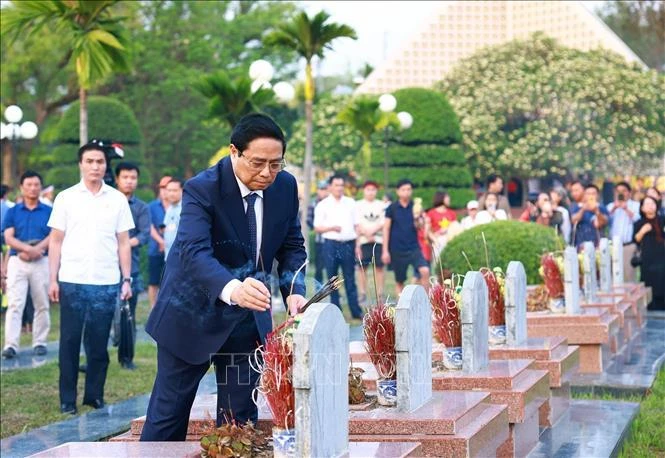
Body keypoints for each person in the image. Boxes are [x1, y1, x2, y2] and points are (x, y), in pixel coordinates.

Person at [140, 113, 306, 441]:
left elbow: (292, 246)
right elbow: (193, 252)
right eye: (258, 162)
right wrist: (232, 288)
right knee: (168, 416)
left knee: (239, 422)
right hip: (191, 313)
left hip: (247, 319)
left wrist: (294, 290)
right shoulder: (203, 188)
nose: (267, 173)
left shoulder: (285, 186)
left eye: (276, 163)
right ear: (234, 152)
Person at [47, 140, 134, 415]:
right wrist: (52, 279)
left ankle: (94, 396)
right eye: (90, 161)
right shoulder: (66, 198)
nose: (95, 166)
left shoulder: (117, 199)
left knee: (98, 345)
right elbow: (56, 242)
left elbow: (123, 243)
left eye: (100, 161)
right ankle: (67, 400)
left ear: (106, 165)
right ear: (81, 165)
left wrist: (127, 279)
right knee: (70, 342)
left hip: (106, 282)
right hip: (72, 280)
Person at [1, 171, 52, 359]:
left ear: (40, 187)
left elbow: (53, 236)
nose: (33, 188)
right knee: (15, 304)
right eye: (29, 185)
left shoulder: (48, 211)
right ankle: (11, 345)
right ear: (22, 188)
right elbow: (8, 237)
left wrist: (37, 249)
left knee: (41, 304)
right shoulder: (13, 211)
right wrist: (27, 250)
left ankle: (39, 342)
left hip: (42, 260)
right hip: (18, 261)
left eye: (36, 185)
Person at [115, 162, 151, 369]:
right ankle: (97, 356)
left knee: (128, 314)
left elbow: (145, 234)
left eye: (133, 177)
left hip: (132, 268)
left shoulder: (141, 208)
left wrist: (124, 245)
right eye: (125, 177)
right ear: (117, 179)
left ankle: (127, 358)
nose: (129, 181)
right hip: (106, 267)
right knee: (101, 314)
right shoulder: (107, 203)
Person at [314, 174, 362, 319]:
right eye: (336, 185)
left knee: (350, 278)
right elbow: (317, 227)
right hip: (330, 245)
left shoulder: (351, 203)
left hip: (348, 244)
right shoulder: (323, 204)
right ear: (330, 187)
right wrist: (332, 228)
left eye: (341, 185)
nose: (339, 188)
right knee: (332, 279)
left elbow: (357, 225)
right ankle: (336, 310)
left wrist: (358, 245)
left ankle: (356, 311)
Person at [382, 179, 430, 294]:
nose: (406, 192)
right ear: (398, 191)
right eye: (403, 190)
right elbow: (386, 228)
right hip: (397, 249)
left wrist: (419, 218)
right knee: (400, 281)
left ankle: (426, 301)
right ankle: (401, 308)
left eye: (409, 189)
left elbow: (420, 226)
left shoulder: (415, 207)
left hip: (414, 247)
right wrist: (385, 251)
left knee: (425, 270)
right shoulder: (392, 208)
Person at [355, 180, 385, 303]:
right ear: (364, 191)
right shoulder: (358, 205)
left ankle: (380, 294)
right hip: (363, 241)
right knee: (363, 268)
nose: (371, 192)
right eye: (368, 189)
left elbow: (383, 223)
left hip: (378, 240)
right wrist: (367, 234)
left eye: (373, 190)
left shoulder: (382, 205)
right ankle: (362, 293)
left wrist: (372, 232)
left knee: (379, 268)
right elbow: (356, 223)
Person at [633, 196, 665, 310]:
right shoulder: (639, 223)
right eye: (647, 204)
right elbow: (636, 239)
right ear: (642, 208)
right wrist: (642, 231)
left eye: (652, 203)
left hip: (662, 257)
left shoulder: (662, 220)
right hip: (647, 259)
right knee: (649, 285)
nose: (650, 206)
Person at [607, 181, 640, 282]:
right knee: (613, 278)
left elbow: (637, 219)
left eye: (624, 191)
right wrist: (614, 208)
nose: (621, 193)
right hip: (612, 246)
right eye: (618, 191)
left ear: (629, 193)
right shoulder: (610, 206)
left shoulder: (636, 205)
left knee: (629, 276)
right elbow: (605, 221)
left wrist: (626, 208)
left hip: (628, 246)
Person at [147, 175, 171, 307]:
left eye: (167, 188)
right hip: (156, 250)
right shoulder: (151, 206)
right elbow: (149, 227)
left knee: (170, 281)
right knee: (153, 282)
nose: (164, 191)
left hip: (173, 252)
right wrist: (161, 241)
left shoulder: (179, 206)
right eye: (162, 188)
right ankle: (153, 309)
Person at [307, 180, 329, 286]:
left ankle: (333, 290)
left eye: (325, 189)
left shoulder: (332, 203)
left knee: (332, 267)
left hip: (332, 240)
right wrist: (319, 227)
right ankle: (318, 289)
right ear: (318, 191)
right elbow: (309, 220)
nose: (323, 192)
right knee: (319, 267)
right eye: (321, 189)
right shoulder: (314, 203)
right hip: (319, 240)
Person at [426, 190, 457, 260]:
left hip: (449, 239)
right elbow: (428, 230)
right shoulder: (431, 213)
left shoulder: (451, 213)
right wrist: (434, 239)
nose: (449, 199)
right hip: (438, 241)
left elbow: (455, 226)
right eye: (447, 197)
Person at [162, 177, 183, 261]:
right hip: (169, 256)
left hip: (181, 258)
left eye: (174, 190)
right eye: (169, 190)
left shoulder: (186, 208)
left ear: (182, 190)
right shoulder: (170, 208)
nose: (171, 193)